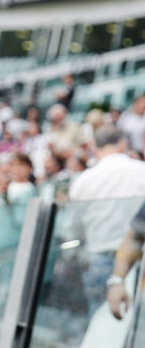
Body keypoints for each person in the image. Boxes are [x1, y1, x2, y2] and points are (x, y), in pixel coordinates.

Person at [68, 125, 145, 319]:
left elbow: (72, 229)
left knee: (102, 322)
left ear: (94, 147)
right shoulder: (142, 171)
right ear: (123, 145)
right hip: (137, 258)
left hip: (99, 257)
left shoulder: (83, 181)